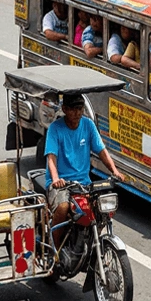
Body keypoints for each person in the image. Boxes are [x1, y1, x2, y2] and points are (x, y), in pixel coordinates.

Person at [44, 93, 123, 247]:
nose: (78, 113)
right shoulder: (55, 128)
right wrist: (55, 179)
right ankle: (56, 247)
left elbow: (102, 151)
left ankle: (89, 244)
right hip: (62, 184)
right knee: (63, 207)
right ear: (65, 109)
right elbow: (51, 158)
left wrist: (115, 171)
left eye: (80, 109)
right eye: (74, 109)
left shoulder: (88, 125)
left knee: (101, 209)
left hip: (84, 183)